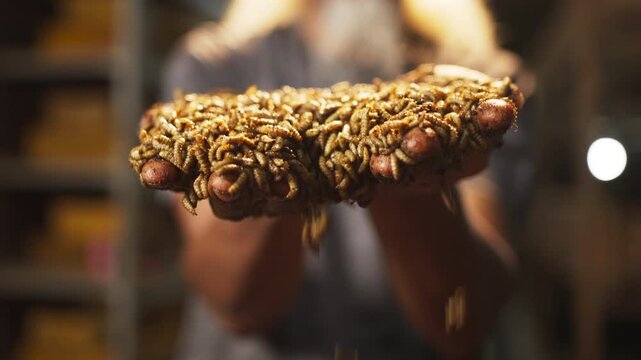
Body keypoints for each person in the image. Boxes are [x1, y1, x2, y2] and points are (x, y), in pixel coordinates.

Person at [162, 0, 526, 358]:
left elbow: (464, 323)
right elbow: (235, 306)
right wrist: (263, 186)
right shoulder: (216, 66)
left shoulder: (480, 80)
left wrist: (409, 186)